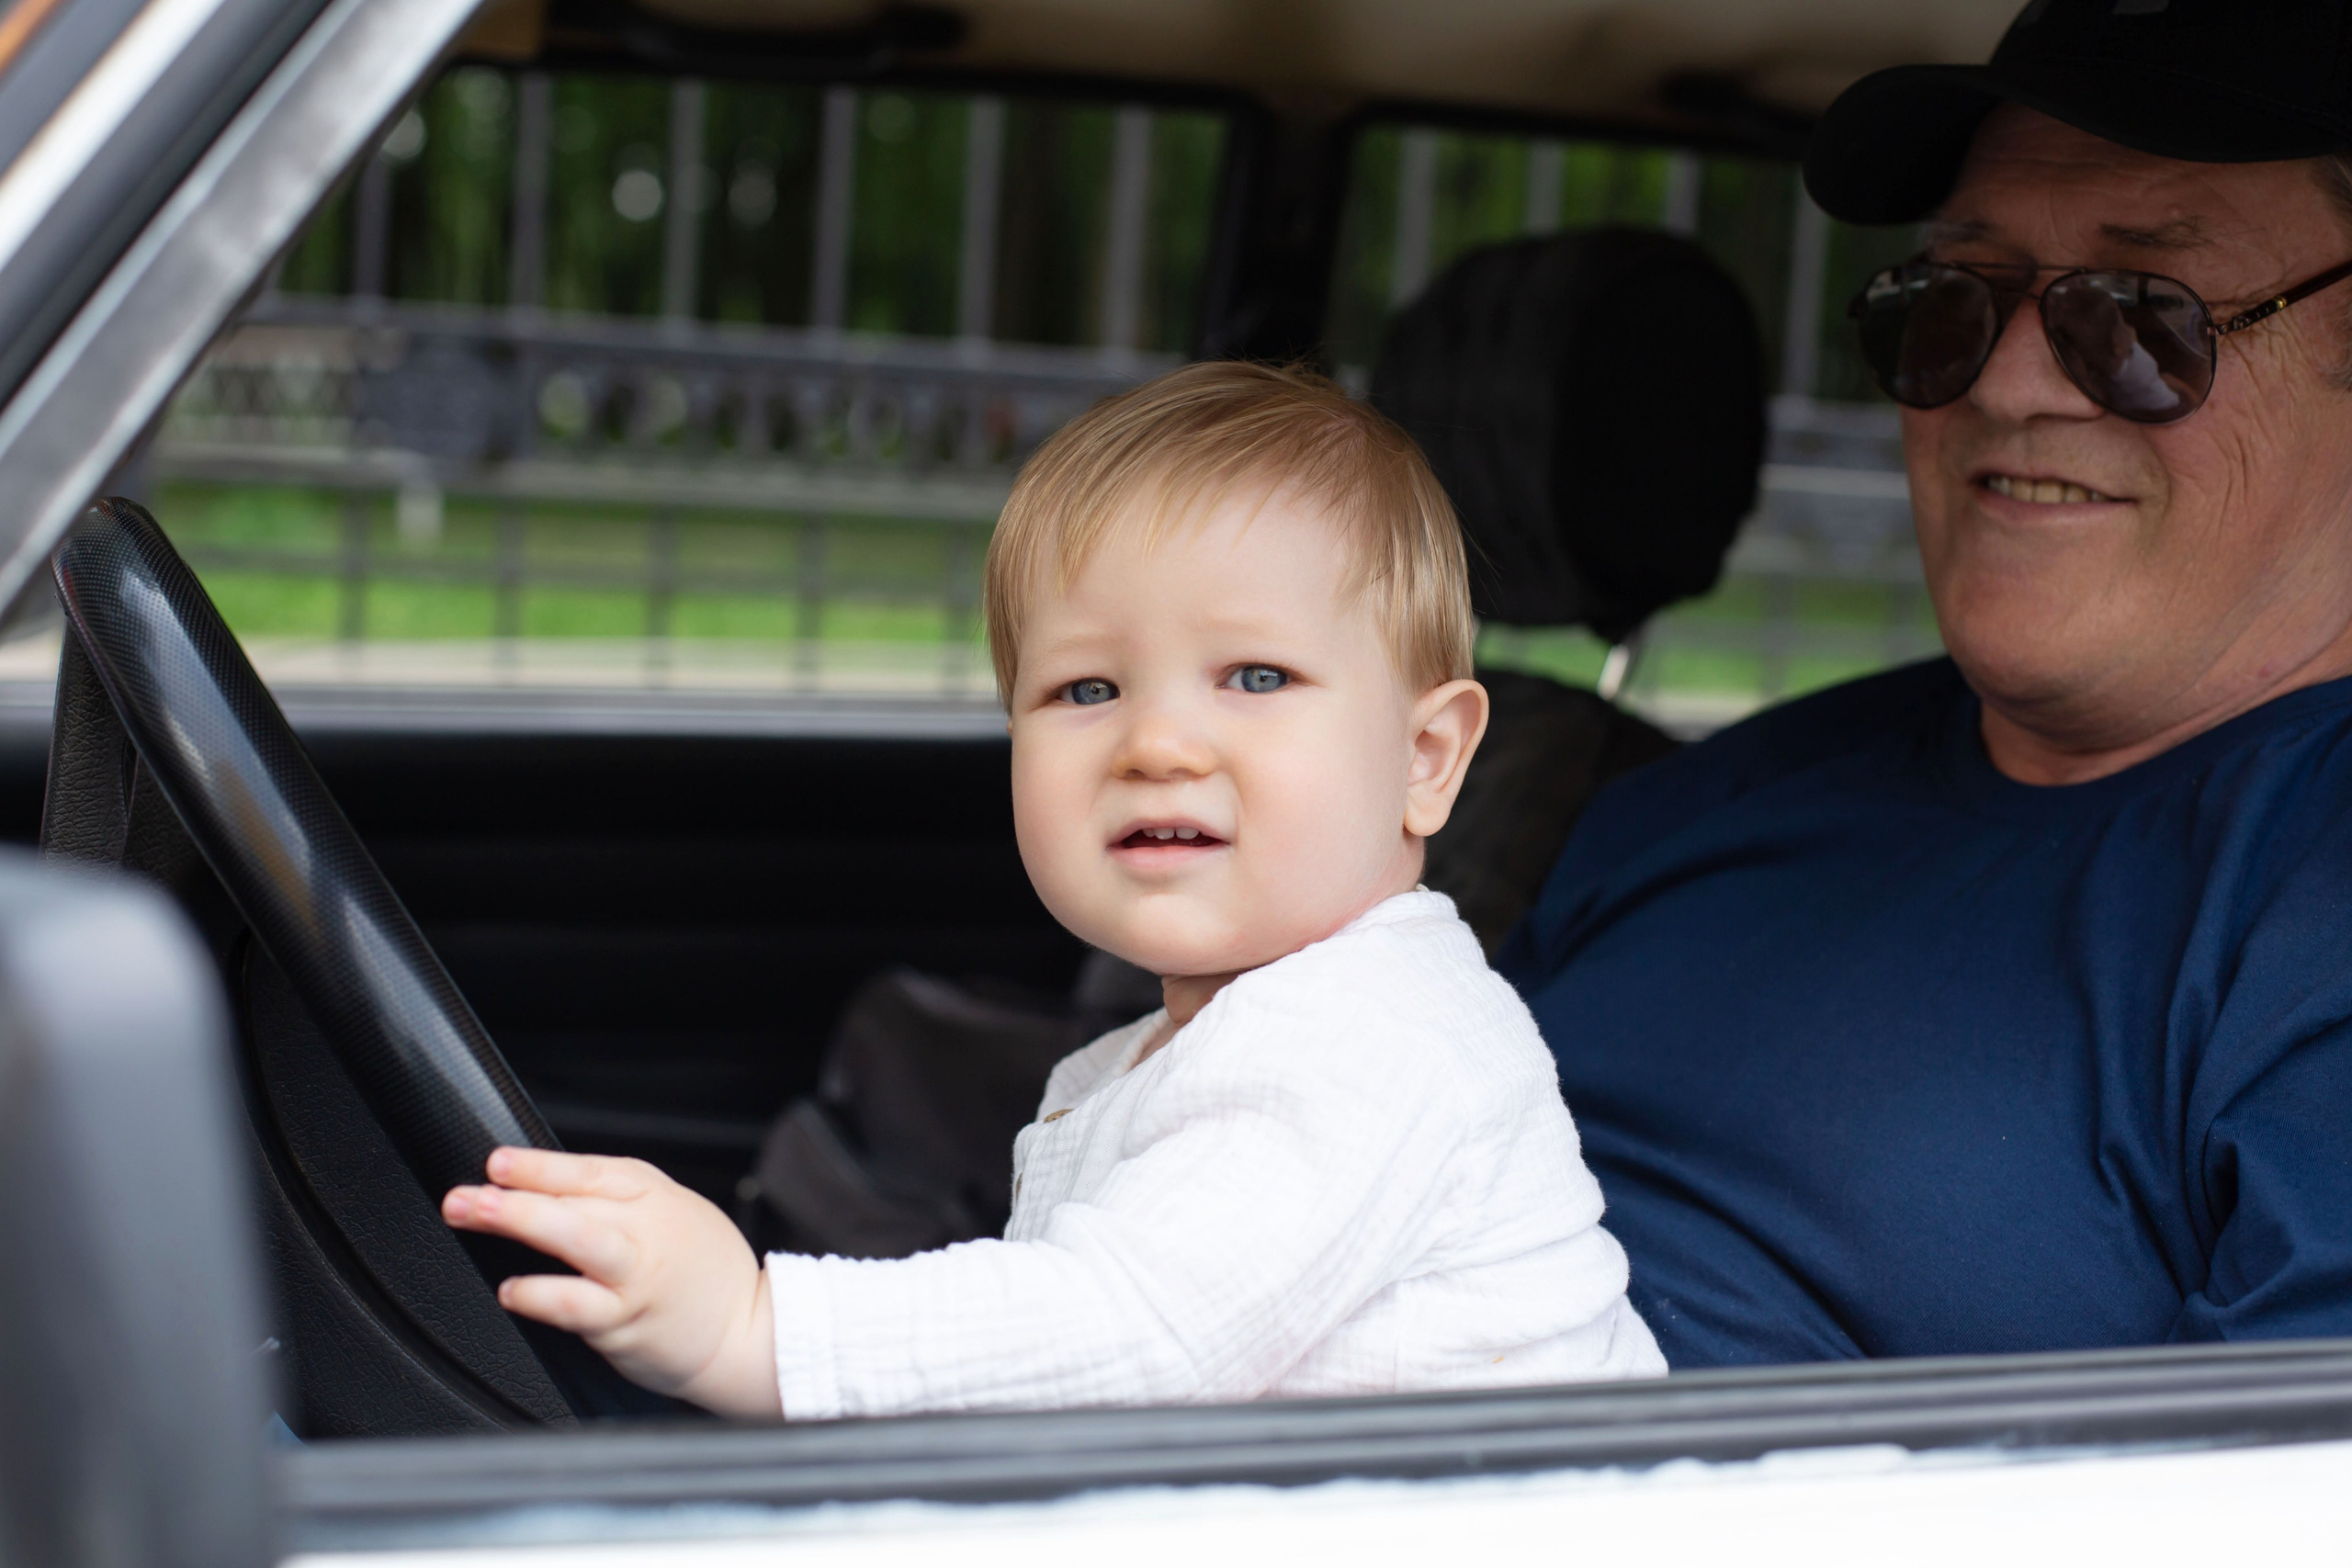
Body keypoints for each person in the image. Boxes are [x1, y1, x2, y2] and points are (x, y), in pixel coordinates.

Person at [443, 361, 1665, 1417]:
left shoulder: (1378, 1046)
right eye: (1089, 691)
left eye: (1252, 675)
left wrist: (753, 1328)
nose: (1159, 743)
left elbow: (1125, 1334)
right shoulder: (1226, 1028)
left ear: (1426, 759)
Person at [1503, 0, 2352, 1366]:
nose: (2009, 380)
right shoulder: (1689, 803)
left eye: (2145, 316)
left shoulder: (2309, 896)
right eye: (1953, 299)